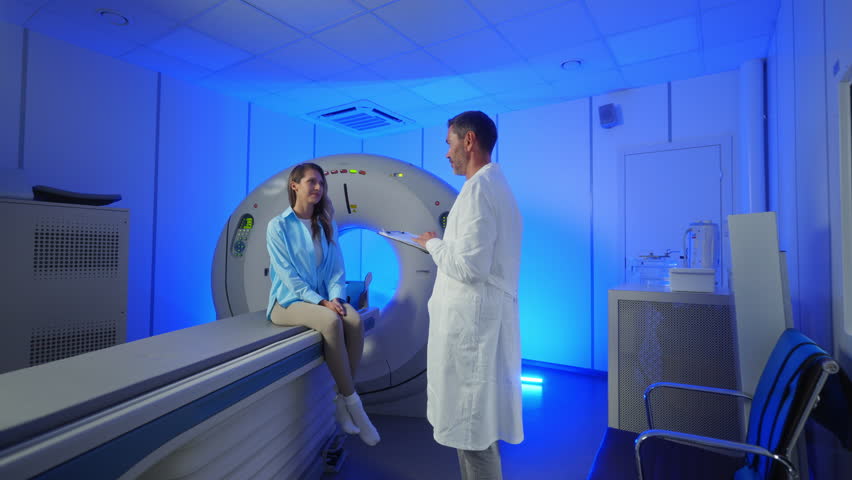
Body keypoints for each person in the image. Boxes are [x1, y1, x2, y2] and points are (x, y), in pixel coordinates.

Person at [414, 111, 523, 479]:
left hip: (473, 331)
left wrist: (433, 245)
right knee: (472, 433)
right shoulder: (492, 186)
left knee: (474, 436)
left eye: (449, 143)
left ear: (469, 141)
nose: (447, 153)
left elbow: (471, 268)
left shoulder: (479, 190)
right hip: (477, 325)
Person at [266, 162, 380, 446]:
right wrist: (320, 302)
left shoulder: (326, 223)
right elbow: (288, 277)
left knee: (353, 320)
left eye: (321, 183)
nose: (318, 187)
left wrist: (336, 298)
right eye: (311, 182)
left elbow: (336, 271)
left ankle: (341, 402)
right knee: (330, 322)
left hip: (325, 299)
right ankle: (355, 406)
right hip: (289, 301)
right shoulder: (278, 226)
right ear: (295, 185)